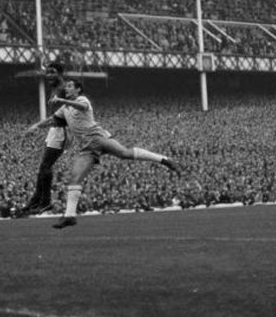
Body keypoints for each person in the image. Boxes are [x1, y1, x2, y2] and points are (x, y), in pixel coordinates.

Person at [26, 78, 182, 229]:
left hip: (98, 138)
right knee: (74, 178)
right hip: (87, 148)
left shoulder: (83, 100)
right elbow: (53, 120)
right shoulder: (64, 109)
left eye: (70, 86)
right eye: (66, 86)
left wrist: (62, 101)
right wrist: (36, 126)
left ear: (78, 89)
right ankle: (69, 216)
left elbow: (79, 107)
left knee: (124, 153)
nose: (66, 88)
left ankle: (165, 160)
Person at [20, 61, 68, 216]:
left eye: (52, 72)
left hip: (63, 130)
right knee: (43, 166)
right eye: (47, 72)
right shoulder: (55, 89)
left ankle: (45, 202)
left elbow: (62, 117)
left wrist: (37, 126)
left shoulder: (64, 90)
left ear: (60, 73)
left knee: (46, 165)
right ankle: (37, 200)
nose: (49, 75)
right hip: (56, 129)